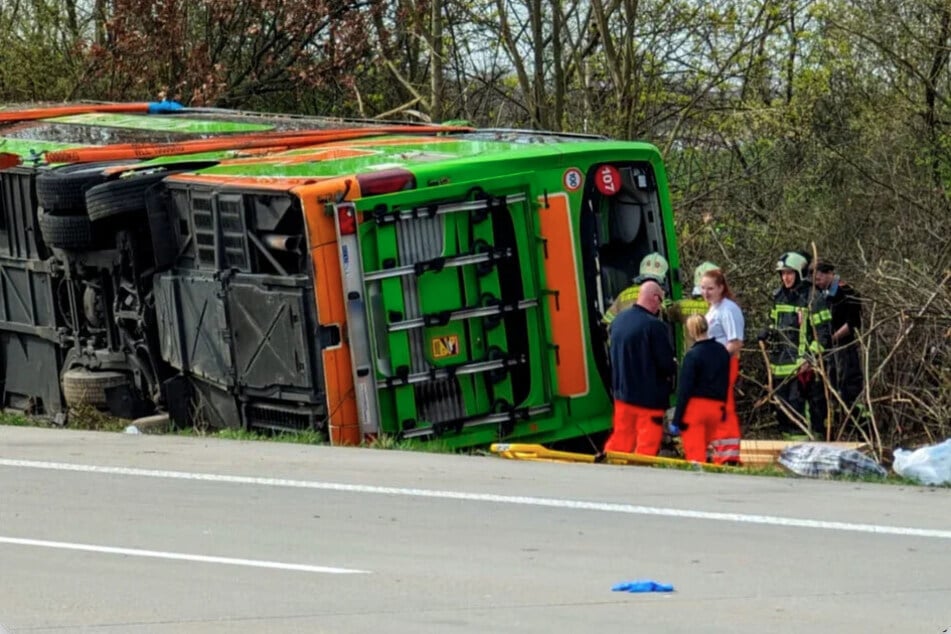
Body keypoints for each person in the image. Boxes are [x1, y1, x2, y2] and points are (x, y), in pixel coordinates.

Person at [602, 280, 677, 456]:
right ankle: (640, 477)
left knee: (621, 438)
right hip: (649, 399)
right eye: (660, 301)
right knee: (647, 444)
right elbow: (665, 364)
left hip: (622, 395)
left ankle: (608, 467)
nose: (660, 306)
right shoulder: (655, 326)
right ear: (654, 298)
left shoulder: (619, 320)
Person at [669, 315, 731, 463]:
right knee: (711, 449)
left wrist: (677, 420)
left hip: (695, 409)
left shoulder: (692, 355)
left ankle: (697, 480)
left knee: (695, 454)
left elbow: (684, 390)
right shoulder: (722, 351)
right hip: (716, 408)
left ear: (691, 332)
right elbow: (726, 382)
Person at [699, 268, 745, 464]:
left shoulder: (728, 309)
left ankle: (728, 455)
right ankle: (719, 452)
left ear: (721, 288)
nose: (706, 293)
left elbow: (735, 342)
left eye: (710, 288)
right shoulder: (713, 309)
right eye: (703, 288)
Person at [812, 261, 864, 420]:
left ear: (829, 274)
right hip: (829, 349)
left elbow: (853, 323)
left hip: (844, 347)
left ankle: (858, 421)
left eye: (819, 279)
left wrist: (831, 339)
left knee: (848, 384)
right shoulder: (821, 294)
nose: (817, 283)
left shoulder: (847, 291)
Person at [602, 252, 668, 327]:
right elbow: (667, 314)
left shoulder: (624, 295)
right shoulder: (658, 297)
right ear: (662, 278)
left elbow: (606, 321)